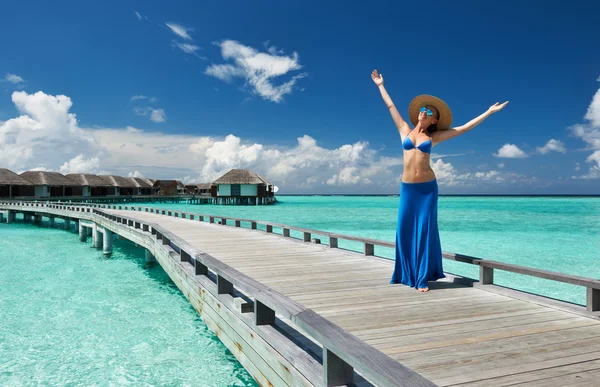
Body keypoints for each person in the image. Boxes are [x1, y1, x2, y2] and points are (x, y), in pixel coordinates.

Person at [371, 69, 508, 292]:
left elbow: (463, 128)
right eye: (422, 109)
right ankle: (405, 273)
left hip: (427, 190)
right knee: (403, 228)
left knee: (425, 229)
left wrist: (489, 112)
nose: (424, 112)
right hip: (407, 189)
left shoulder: (433, 137)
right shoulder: (404, 131)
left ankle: (422, 278)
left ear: (434, 120)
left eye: (428, 112)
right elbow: (391, 107)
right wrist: (380, 85)